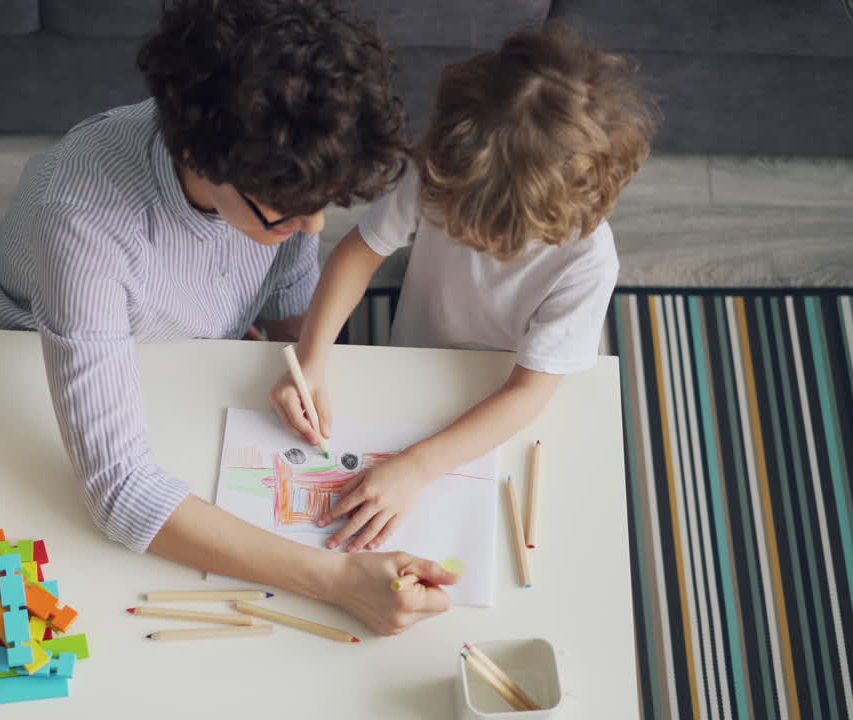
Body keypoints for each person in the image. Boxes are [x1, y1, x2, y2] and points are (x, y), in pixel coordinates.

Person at [0, 0, 458, 635]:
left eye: (323, 205)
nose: (313, 227)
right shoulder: (81, 219)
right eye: (286, 212)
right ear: (197, 157)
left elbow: (288, 279)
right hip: (4, 366)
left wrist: (310, 360)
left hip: (172, 359)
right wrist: (338, 581)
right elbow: (119, 493)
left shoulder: (280, 164)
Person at [272, 22, 658, 553]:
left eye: (489, 236)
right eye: (453, 219)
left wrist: (417, 468)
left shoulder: (588, 263)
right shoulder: (442, 173)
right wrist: (312, 357)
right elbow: (358, 254)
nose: (465, 238)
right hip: (414, 353)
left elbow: (528, 392)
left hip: (498, 399)